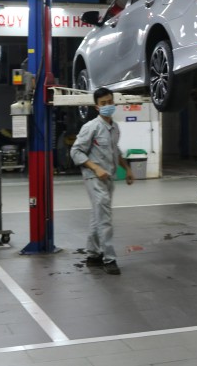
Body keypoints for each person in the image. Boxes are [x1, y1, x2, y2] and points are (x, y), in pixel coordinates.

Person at [70, 88, 135, 275]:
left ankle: (93, 255)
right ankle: (109, 258)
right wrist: (95, 168)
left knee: (97, 216)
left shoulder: (115, 128)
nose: (107, 106)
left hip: (108, 177)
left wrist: (127, 168)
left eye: (110, 102)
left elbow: (116, 151)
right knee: (105, 219)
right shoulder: (91, 127)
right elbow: (75, 151)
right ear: (97, 107)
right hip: (94, 177)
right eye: (103, 103)